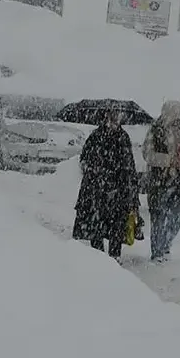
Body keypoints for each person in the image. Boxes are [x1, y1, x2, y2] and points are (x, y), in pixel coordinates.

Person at [72, 107, 142, 262]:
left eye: (118, 115)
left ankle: (115, 256)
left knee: (117, 224)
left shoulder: (123, 137)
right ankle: (98, 256)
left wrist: (129, 186)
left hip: (118, 189)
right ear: (106, 117)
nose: (115, 119)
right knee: (95, 223)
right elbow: (84, 159)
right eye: (112, 115)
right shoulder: (96, 135)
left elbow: (129, 164)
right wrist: (95, 170)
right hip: (96, 188)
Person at [142, 100, 180, 262]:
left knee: (177, 217)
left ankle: (165, 244)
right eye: (175, 113)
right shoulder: (156, 130)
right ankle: (157, 252)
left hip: (178, 180)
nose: (178, 118)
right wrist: (168, 160)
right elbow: (147, 154)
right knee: (158, 217)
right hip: (159, 180)